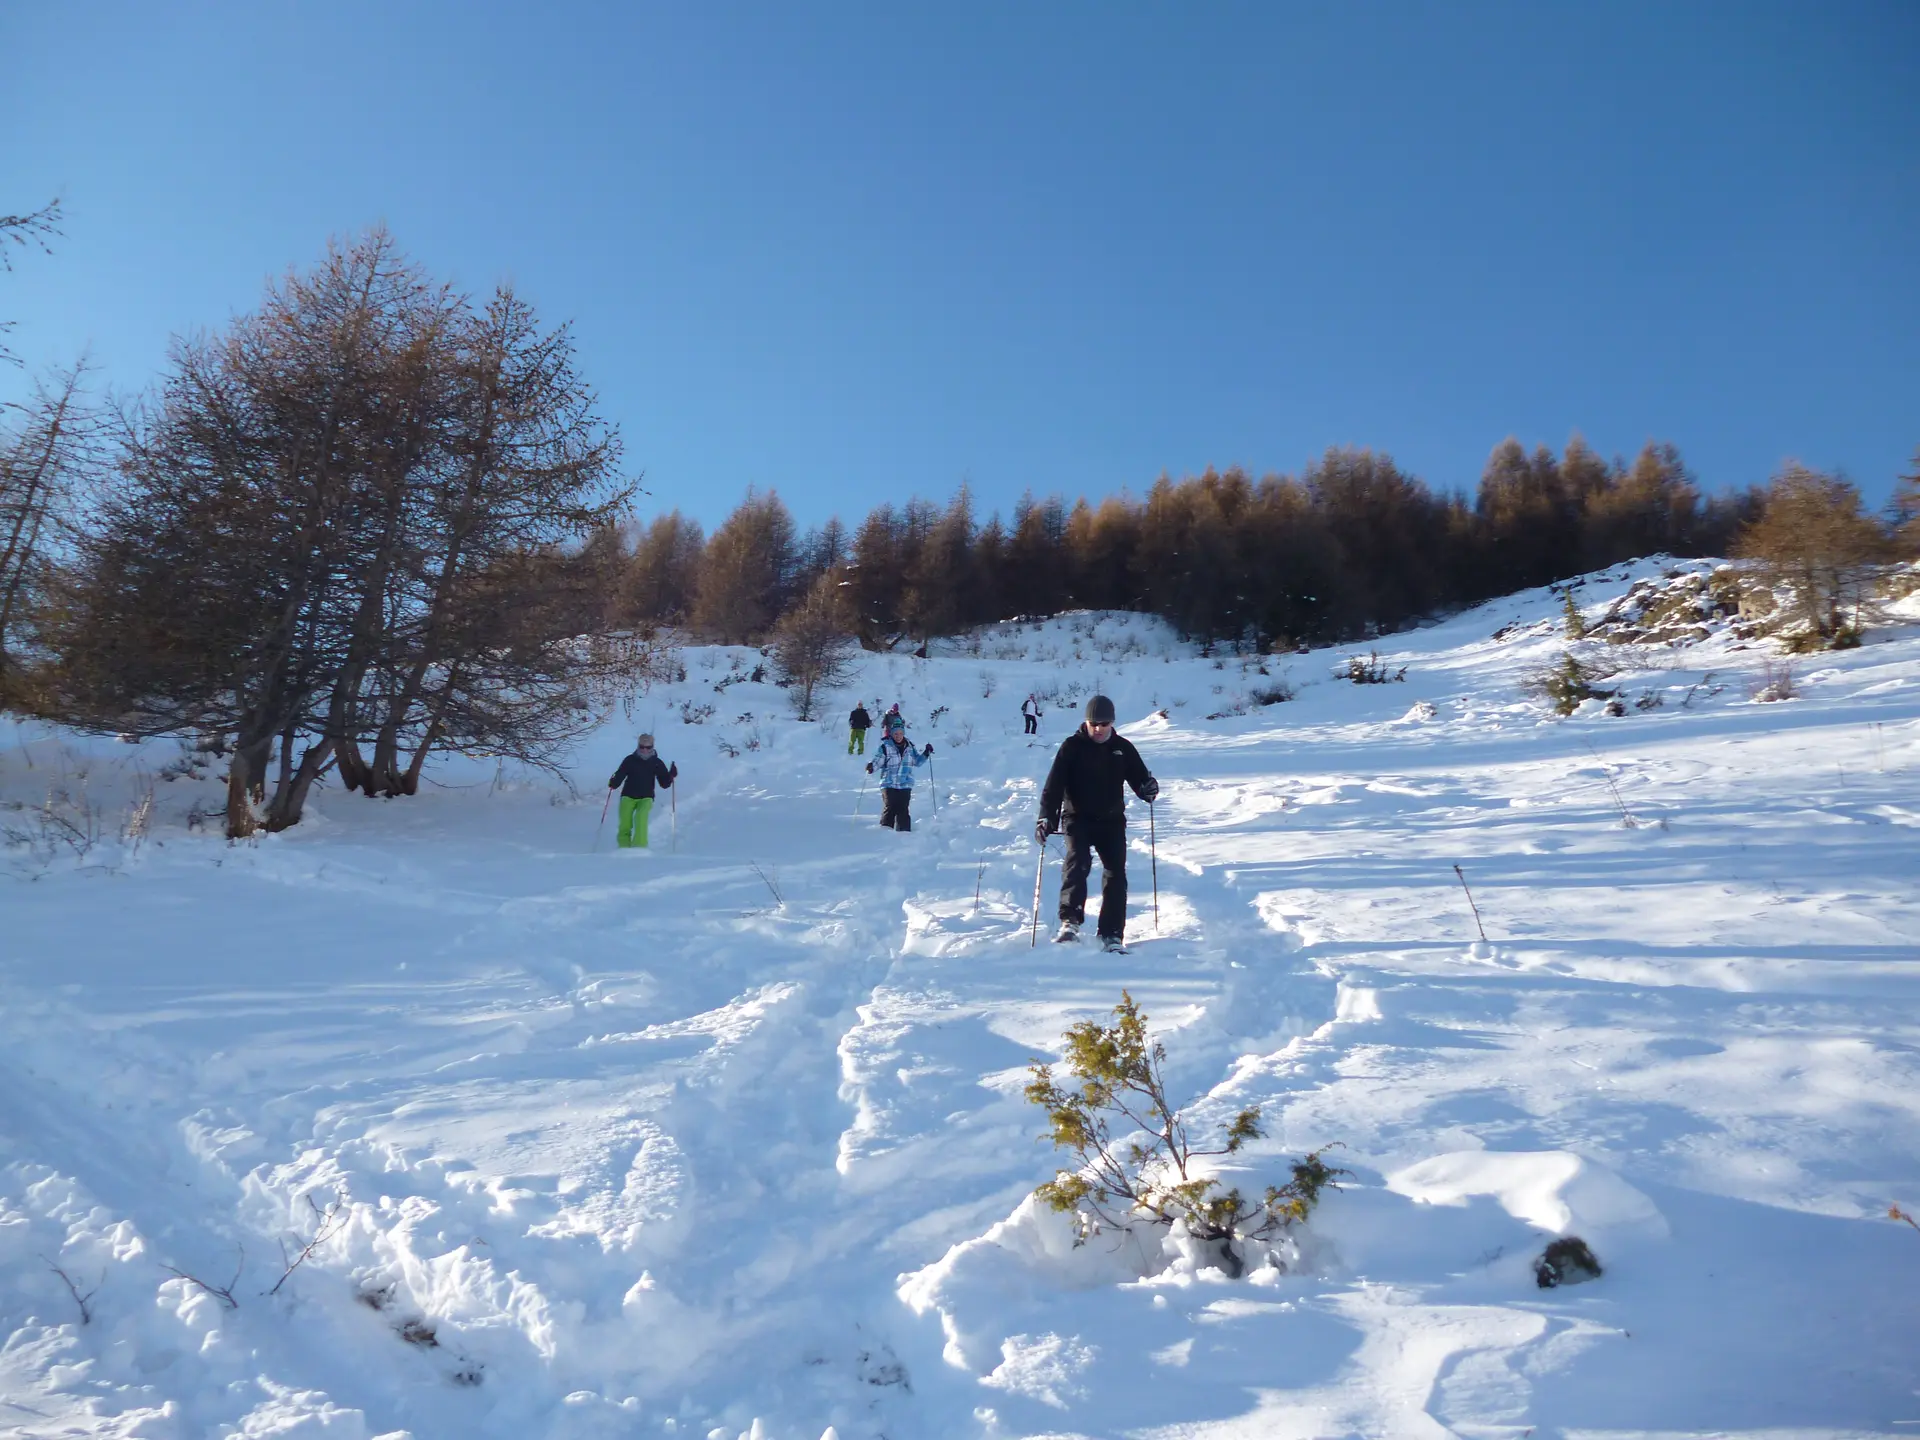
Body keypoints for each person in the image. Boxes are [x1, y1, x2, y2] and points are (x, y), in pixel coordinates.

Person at [1035, 695, 1158, 952]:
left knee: (1116, 873)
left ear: (1112, 723)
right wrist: (1046, 817)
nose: (1100, 729)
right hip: (1077, 818)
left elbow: (1141, 780)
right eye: (1095, 724)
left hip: (1111, 821)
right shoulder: (1071, 747)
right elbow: (1053, 786)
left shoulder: (1122, 748)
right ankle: (1070, 922)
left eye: (1105, 724)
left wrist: (1148, 788)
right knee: (1078, 861)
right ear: (1086, 722)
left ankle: (1112, 934)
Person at [607, 734, 677, 849]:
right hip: (628, 796)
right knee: (625, 823)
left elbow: (664, 783)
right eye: (642, 747)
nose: (645, 750)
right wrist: (614, 782)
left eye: (648, 747)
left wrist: (671, 775)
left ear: (652, 747)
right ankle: (623, 848)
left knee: (640, 819)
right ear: (638, 746)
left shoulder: (657, 762)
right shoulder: (630, 760)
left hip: (646, 797)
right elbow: (620, 774)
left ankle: (639, 849)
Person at [866, 714, 933, 832]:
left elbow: (917, 762)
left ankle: (905, 835)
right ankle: (885, 834)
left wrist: (926, 753)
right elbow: (878, 761)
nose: (898, 736)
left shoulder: (910, 747)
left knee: (903, 810)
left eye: (900, 733)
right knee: (890, 807)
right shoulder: (886, 747)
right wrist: (872, 767)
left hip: (905, 783)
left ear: (903, 733)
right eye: (895, 734)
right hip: (889, 783)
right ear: (891, 734)